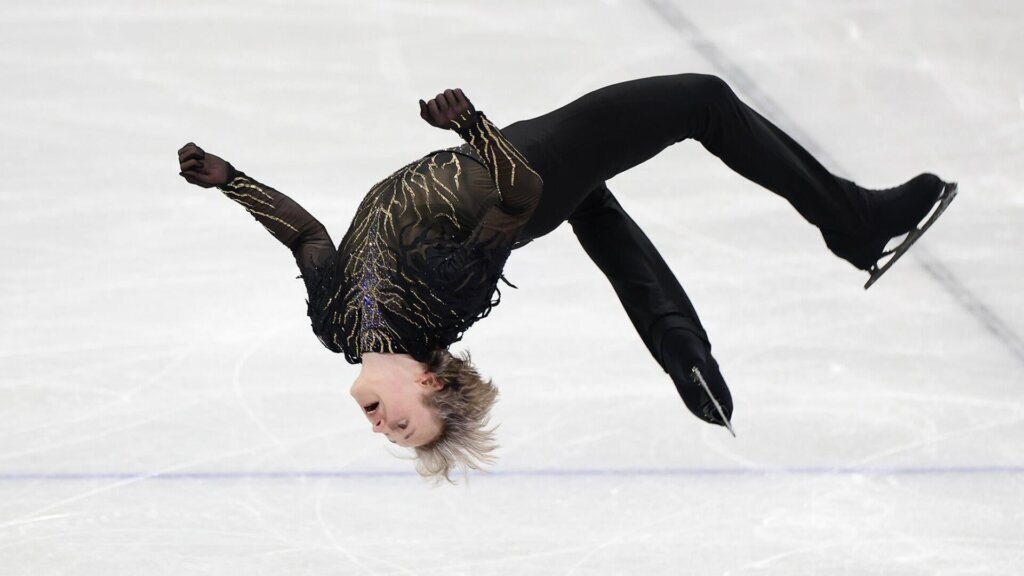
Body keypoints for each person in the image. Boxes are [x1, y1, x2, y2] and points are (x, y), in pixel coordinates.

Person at [177, 74, 956, 482]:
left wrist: (230, 178)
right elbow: (521, 196)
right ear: (433, 387)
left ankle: (681, 343)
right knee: (702, 102)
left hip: (511, 153)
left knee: (603, 205)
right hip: (527, 166)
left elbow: (309, 234)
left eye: (388, 432)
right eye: (406, 428)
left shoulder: (336, 328)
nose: (381, 426)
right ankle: (851, 221)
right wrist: (472, 125)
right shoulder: (445, 298)